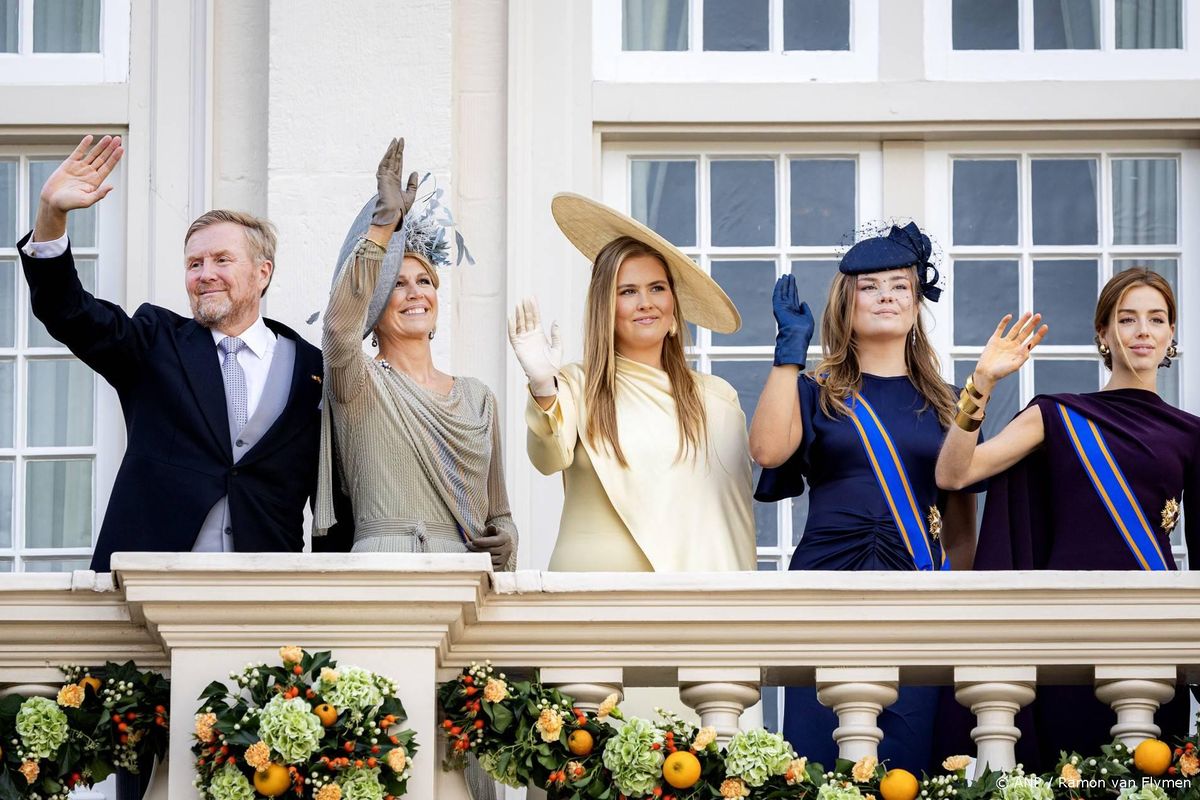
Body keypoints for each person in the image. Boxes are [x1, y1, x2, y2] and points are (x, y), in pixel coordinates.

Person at [19, 135, 323, 572]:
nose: (205, 274)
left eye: (222, 260)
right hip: (152, 583)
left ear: (263, 272)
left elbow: (333, 497)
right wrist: (51, 215)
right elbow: (70, 313)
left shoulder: (312, 369)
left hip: (268, 589)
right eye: (194, 264)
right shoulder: (154, 342)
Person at [935, 267, 1199, 767]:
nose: (1142, 331)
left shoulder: (1190, 433)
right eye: (1127, 319)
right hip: (1068, 627)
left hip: (1152, 630)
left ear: (1171, 334)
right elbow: (955, 474)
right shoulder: (1057, 415)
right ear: (1103, 333)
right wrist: (982, 382)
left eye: (1156, 319)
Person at [750, 222, 979, 772]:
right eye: (869, 286)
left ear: (917, 303)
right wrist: (789, 352)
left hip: (918, 591)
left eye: (900, 286)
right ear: (845, 303)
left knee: (909, 764)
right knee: (815, 759)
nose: (886, 296)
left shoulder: (953, 403)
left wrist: (958, 604)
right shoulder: (814, 391)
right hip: (825, 586)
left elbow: (962, 524)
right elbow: (767, 451)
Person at [506, 192, 754, 572]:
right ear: (605, 308)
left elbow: (730, 520)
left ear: (674, 309)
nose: (645, 303)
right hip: (593, 592)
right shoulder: (575, 384)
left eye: (657, 288)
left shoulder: (717, 398)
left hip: (691, 599)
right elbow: (547, 458)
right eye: (628, 291)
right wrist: (542, 386)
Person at [313, 138, 516, 569]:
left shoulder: (478, 398)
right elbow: (338, 327)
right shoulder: (359, 382)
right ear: (374, 306)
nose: (414, 293)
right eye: (397, 284)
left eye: (424, 282)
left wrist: (505, 542)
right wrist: (383, 225)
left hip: (463, 574)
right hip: (381, 569)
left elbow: (499, 515)